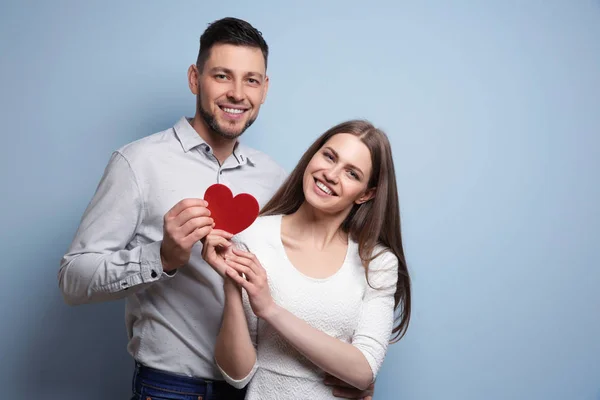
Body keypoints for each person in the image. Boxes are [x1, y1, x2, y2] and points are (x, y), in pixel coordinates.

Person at [58, 17, 375, 400]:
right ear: (195, 78)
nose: (237, 93)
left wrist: (348, 372)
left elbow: (309, 282)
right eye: (222, 76)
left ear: (265, 89)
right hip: (171, 388)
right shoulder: (138, 163)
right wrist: (162, 257)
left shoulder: (278, 180)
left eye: (251, 80)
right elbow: (72, 279)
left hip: (261, 389)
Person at [202, 119, 412, 399]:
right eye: (329, 156)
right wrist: (231, 284)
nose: (331, 174)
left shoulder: (377, 262)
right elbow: (237, 375)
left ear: (366, 193)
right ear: (313, 155)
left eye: (351, 173)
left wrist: (270, 309)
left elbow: (363, 371)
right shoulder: (251, 238)